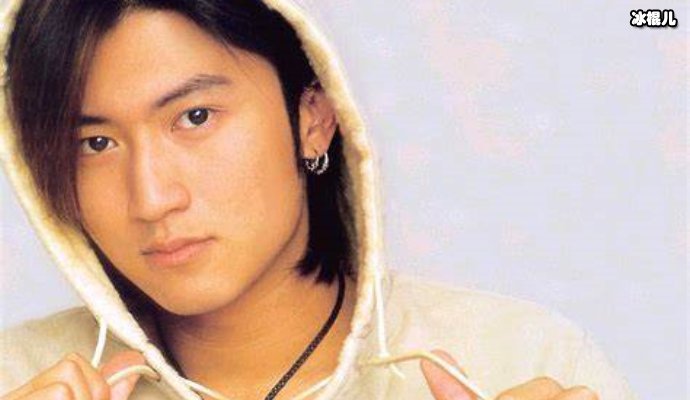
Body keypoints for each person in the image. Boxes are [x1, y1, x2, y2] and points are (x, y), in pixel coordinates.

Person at [0, 1, 638, 399]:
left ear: (313, 118)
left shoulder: (518, 360)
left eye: (195, 117)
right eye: (96, 143)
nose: (151, 198)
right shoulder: (18, 377)